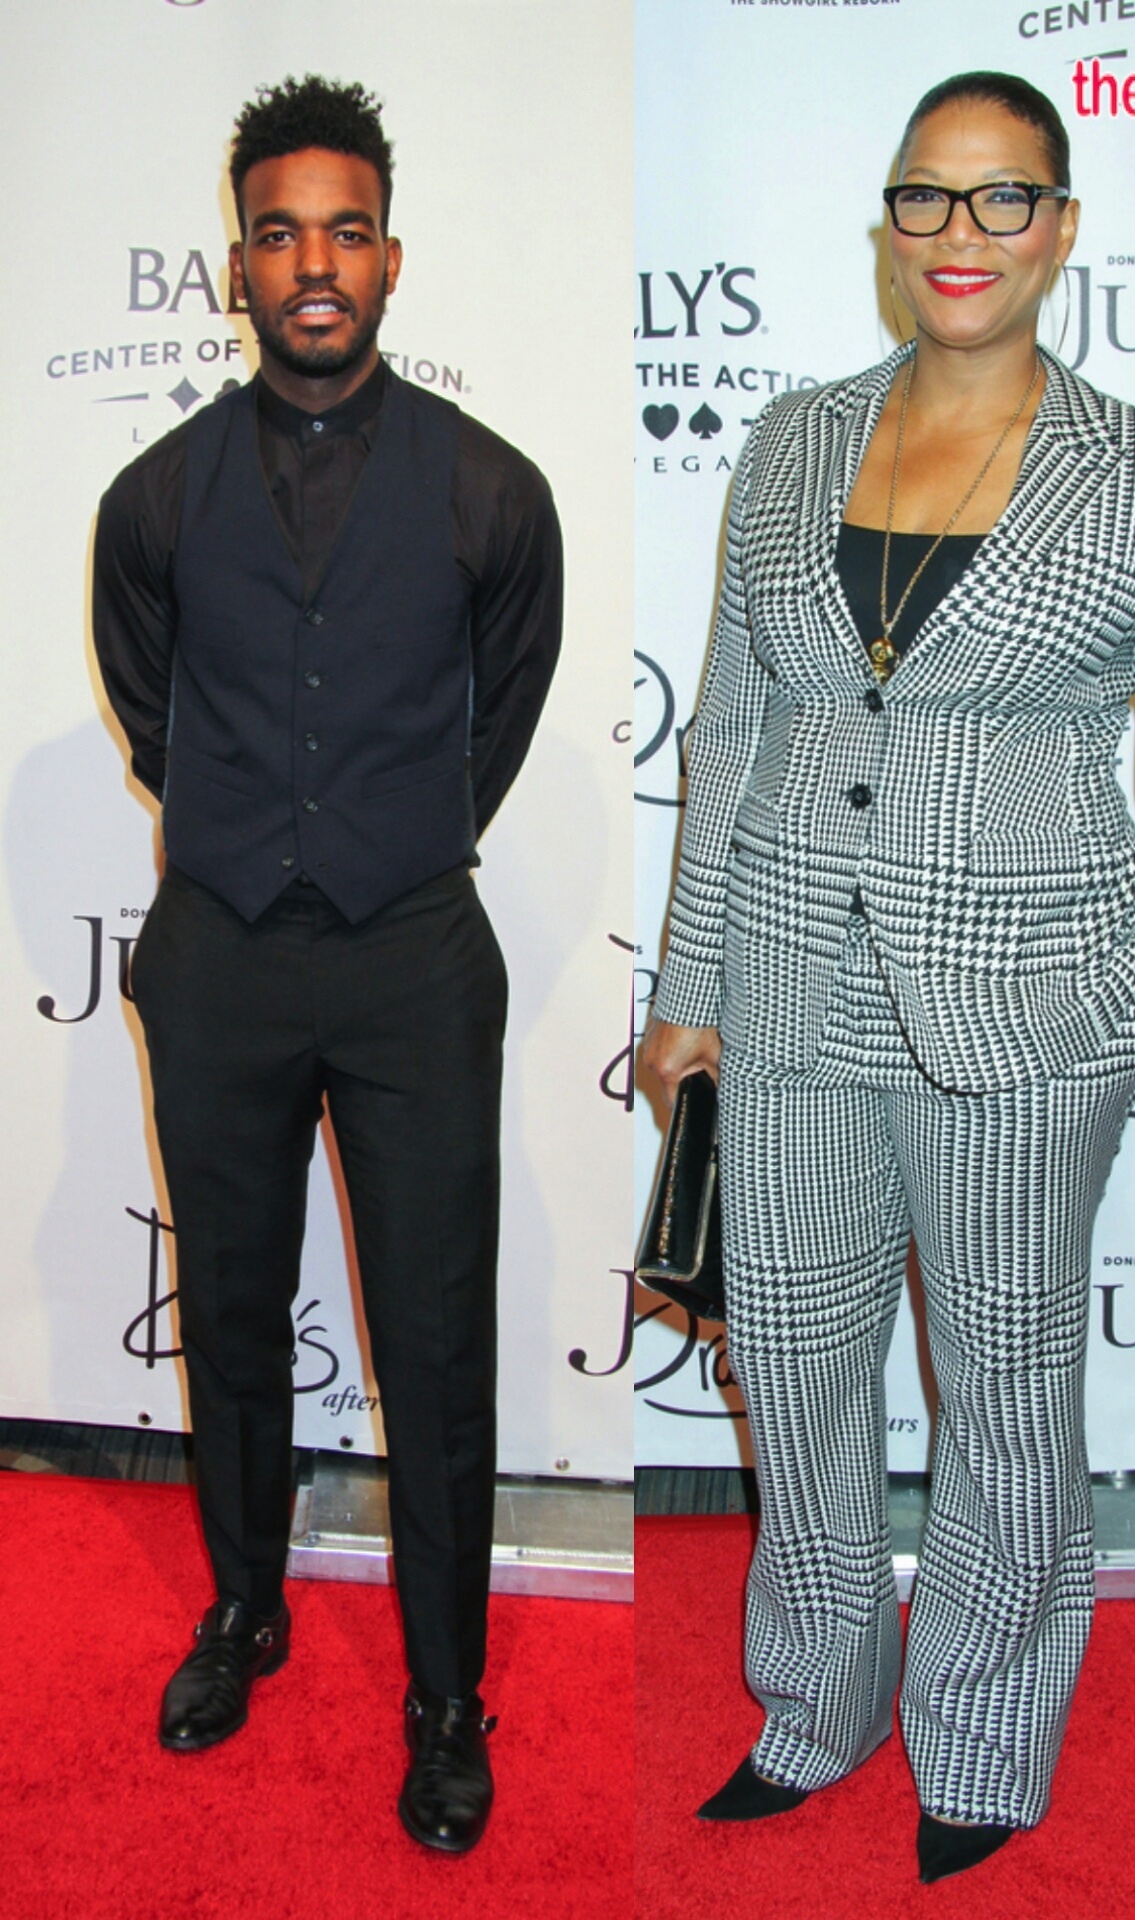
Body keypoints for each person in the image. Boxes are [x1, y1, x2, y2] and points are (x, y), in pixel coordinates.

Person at [642, 71, 1135, 1883]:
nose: (960, 234)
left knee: (1001, 1393)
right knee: (796, 1372)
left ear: (1061, 230)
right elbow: (733, 734)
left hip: (1028, 1009)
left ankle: (983, 1737)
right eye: (928, 196)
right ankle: (814, 1702)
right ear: (889, 227)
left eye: (1002, 200)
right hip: (787, 991)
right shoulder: (789, 441)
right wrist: (688, 985)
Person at [92, 75, 562, 1853]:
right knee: (228, 1310)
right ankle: (246, 1608)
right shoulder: (152, 498)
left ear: (390, 259)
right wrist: (257, 825)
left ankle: (445, 1694)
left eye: (344, 232)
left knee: (434, 1340)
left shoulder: (493, 490)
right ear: (238, 264)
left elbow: (495, 720)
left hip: (413, 959)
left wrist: (380, 828)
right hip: (217, 950)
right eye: (279, 233)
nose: (313, 264)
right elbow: (156, 712)